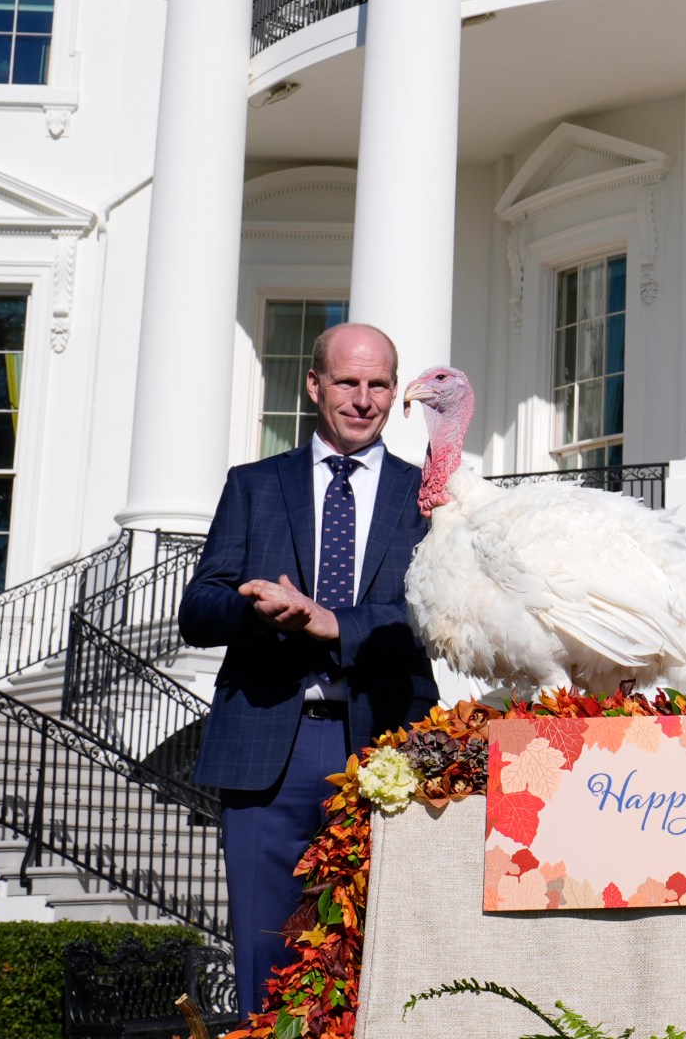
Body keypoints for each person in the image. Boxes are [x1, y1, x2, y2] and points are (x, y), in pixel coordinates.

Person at [179, 322, 439, 1017]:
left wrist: (335, 623)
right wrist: (256, 607)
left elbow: (438, 617)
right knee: (268, 959)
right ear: (315, 385)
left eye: (378, 383)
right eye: (348, 382)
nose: (363, 399)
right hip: (270, 742)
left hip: (386, 742)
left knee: (385, 953)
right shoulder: (256, 486)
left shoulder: (428, 498)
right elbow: (199, 609)